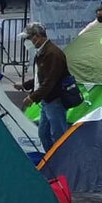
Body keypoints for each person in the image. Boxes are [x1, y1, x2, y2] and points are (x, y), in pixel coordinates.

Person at [15, 23, 69, 151]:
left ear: (38, 36)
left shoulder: (53, 54)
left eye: (29, 38)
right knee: (43, 133)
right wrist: (24, 85)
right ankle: (51, 159)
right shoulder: (43, 52)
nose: (28, 42)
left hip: (55, 100)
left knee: (58, 135)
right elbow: (41, 76)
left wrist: (32, 98)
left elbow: (49, 81)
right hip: (47, 100)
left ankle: (62, 160)